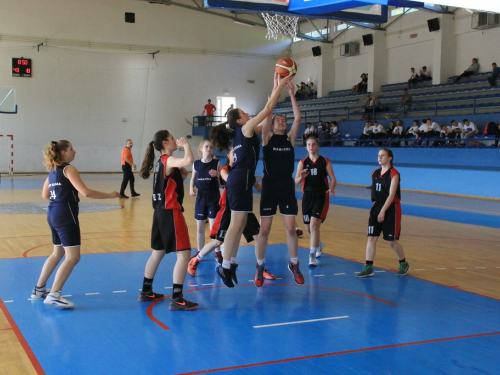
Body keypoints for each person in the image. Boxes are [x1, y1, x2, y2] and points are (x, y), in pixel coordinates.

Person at [209, 73, 292, 288]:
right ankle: (225, 266)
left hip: (244, 180)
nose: (247, 113)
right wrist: (281, 86)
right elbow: (266, 111)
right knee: (236, 225)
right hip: (239, 179)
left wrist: (275, 87)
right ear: (239, 119)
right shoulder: (244, 129)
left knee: (242, 223)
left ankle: (231, 263)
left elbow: (268, 119)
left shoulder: (245, 131)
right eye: (244, 112)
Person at [32, 140, 120, 308]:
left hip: (52, 213)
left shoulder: (52, 170)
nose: (75, 152)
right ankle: (55, 294)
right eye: (71, 149)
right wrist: (110, 195)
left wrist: (59, 199)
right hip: (65, 215)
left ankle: (39, 289)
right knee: (73, 257)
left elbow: (45, 195)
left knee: (57, 253)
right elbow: (86, 192)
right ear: (63, 153)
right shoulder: (68, 169)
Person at [138, 131, 198, 310]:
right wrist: (186, 145)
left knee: (158, 252)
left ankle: (146, 291)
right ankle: (178, 298)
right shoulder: (168, 159)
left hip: (159, 213)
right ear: (165, 143)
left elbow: (169, 183)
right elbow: (188, 160)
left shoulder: (160, 163)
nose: (175, 140)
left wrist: (181, 177)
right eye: (172, 139)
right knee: (184, 254)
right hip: (171, 212)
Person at [255, 78, 304, 286]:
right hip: (269, 187)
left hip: (286, 186)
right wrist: (274, 94)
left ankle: (294, 264)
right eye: (278, 121)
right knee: (264, 230)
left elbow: (299, 118)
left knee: (291, 229)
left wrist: (292, 94)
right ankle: (259, 266)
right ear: (273, 124)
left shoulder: (289, 139)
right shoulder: (266, 138)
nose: (282, 122)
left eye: (284, 121)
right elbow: (267, 116)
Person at [188, 147, 262, 278]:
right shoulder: (224, 170)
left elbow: (258, 187)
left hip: (245, 207)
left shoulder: (246, 171)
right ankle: (196, 259)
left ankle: (261, 267)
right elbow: (231, 181)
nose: (238, 154)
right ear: (228, 155)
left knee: (259, 237)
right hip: (228, 209)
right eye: (234, 152)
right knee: (218, 241)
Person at [356, 148, 410, 278]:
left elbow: (392, 194)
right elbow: (379, 186)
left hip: (390, 208)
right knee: (371, 237)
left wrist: (383, 211)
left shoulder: (394, 173)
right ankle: (368, 266)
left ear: (390, 158)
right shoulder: (375, 173)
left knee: (391, 241)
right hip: (376, 206)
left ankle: (403, 263)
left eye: (383, 155)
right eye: (378, 155)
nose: (379, 157)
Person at [295, 136, 336, 267]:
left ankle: (311, 255)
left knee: (314, 225)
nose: (311, 146)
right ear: (306, 147)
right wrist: (301, 177)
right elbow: (296, 180)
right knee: (308, 228)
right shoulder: (302, 162)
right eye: (308, 144)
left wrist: (332, 188)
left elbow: (333, 179)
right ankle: (318, 244)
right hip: (307, 196)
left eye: (313, 144)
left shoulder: (325, 161)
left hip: (321, 195)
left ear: (318, 146)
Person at [189, 140, 221, 258]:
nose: (209, 149)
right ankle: (199, 251)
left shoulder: (216, 163)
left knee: (214, 227)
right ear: (201, 149)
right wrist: (191, 188)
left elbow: (223, 178)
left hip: (213, 196)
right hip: (201, 196)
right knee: (200, 227)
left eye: (211, 147)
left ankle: (217, 252)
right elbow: (193, 178)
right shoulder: (196, 163)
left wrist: (217, 174)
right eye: (206, 146)